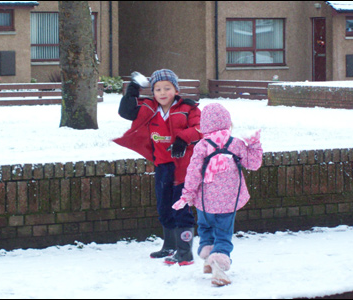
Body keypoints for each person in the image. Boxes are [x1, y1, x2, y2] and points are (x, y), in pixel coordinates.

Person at [113, 69, 202, 266]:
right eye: (158, 89)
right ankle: (169, 246)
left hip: (183, 167)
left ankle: (185, 252)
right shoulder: (150, 108)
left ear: (176, 89)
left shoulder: (188, 108)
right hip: (163, 165)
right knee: (164, 207)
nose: (162, 93)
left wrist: (182, 139)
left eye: (167, 88)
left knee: (181, 208)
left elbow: (199, 128)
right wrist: (133, 88)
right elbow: (126, 111)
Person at [172, 103, 263, 286]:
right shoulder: (235, 144)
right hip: (228, 203)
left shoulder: (202, 146)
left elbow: (193, 173)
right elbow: (253, 164)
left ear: (205, 126)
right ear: (228, 124)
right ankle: (219, 268)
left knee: (205, 229)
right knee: (223, 234)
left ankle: (208, 255)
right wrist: (254, 144)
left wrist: (187, 195)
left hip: (205, 203)